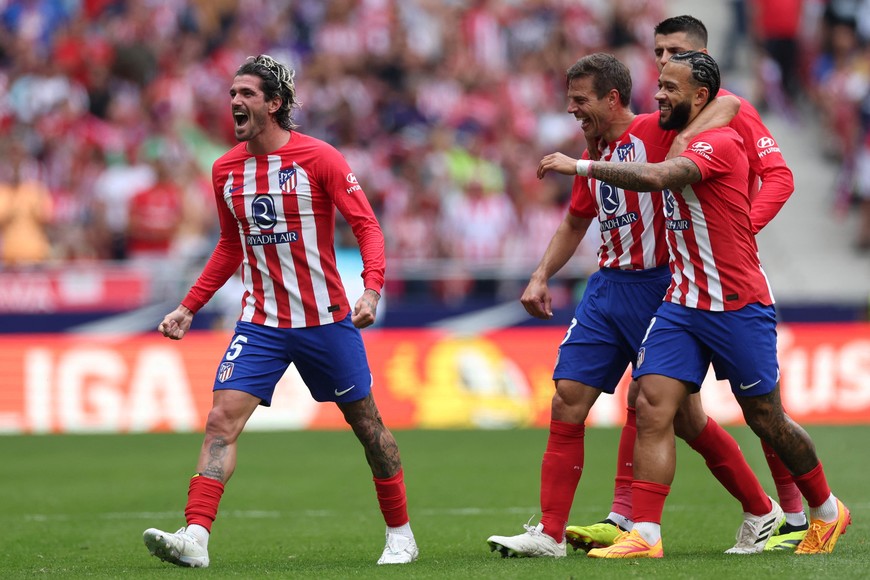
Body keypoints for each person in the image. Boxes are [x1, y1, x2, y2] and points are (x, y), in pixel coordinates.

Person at [540, 50, 850, 558]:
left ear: (700, 97)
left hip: (736, 305)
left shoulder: (719, 144)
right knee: (651, 403)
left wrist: (581, 164)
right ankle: (646, 533)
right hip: (682, 303)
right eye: (658, 84)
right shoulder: (680, 134)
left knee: (766, 418)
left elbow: (662, 177)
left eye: (671, 88)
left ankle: (826, 508)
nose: (658, 94)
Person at [486, 52, 784, 559]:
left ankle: (762, 510)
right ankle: (550, 535)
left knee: (682, 418)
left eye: (581, 101)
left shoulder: (658, 129)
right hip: (607, 288)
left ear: (612, 98)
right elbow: (577, 220)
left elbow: (728, 105)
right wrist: (540, 275)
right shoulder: (598, 152)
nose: (572, 111)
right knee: (567, 399)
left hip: (664, 288)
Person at [141, 54, 418, 568]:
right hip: (261, 324)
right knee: (221, 420)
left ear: (275, 103)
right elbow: (229, 247)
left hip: (326, 321)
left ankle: (401, 533)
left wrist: (371, 290)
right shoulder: (225, 170)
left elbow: (368, 228)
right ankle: (195, 537)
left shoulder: (321, 159)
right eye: (232, 94)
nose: (235, 103)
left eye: (246, 94)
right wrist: (188, 307)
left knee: (369, 428)